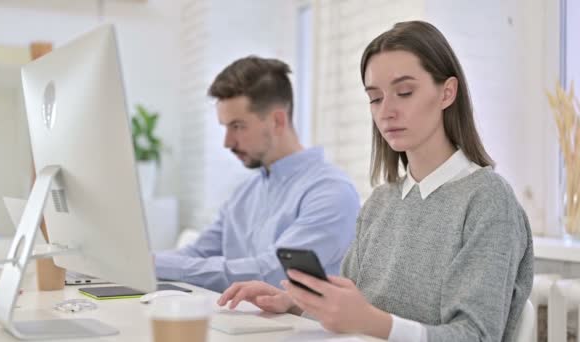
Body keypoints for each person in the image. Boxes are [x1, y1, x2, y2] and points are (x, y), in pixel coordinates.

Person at [217, 21, 533, 342]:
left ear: (447, 93)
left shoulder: (488, 200)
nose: (386, 112)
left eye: (404, 92)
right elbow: (357, 313)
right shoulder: (381, 203)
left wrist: (371, 321)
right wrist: (297, 304)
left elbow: (475, 335)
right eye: (375, 98)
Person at [154, 56, 360, 293]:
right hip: (241, 323)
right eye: (225, 127)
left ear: (277, 121)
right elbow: (197, 252)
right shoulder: (245, 193)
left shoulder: (331, 192)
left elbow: (271, 273)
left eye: (238, 126)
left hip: (298, 328)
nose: (227, 142)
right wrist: (142, 264)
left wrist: (158, 265)